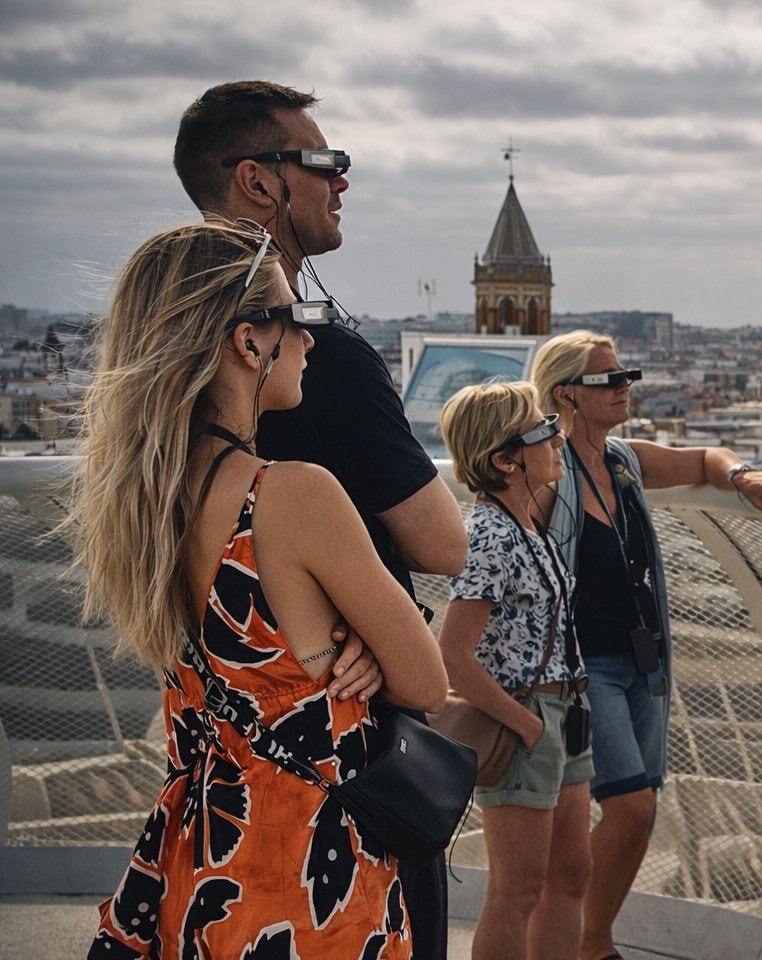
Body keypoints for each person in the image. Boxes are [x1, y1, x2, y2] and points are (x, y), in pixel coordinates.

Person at [76, 221, 448, 958]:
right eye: (298, 318)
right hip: (309, 875)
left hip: (200, 859)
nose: (311, 340)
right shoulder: (293, 496)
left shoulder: (138, 503)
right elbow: (427, 680)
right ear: (248, 343)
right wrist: (362, 650)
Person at [174, 80, 468, 960]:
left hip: (207, 819)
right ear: (259, 183)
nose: (344, 182)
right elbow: (442, 545)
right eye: (326, 163)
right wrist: (370, 632)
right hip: (331, 801)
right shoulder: (322, 376)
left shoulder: (156, 454)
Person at [529, 330, 762, 960]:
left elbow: (705, 457)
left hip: (640, 661)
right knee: (627, 807)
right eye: (610, 380)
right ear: (566, 394)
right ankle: (577, 937)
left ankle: (585, 938)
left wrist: (742, 475)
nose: (626, 387)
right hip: (581, 665)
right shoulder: (545, 468)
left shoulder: (623, 461)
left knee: (638, 807)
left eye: (629, 375)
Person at [437, 380, 594, 960]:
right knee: (518, 890)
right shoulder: (489, 536)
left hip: (562, 715)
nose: (557, 438)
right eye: (543, 431)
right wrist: (525, 725)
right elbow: (453, 653)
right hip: (528, 720)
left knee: (572, 874)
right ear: (505, 460)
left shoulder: (528, 525)